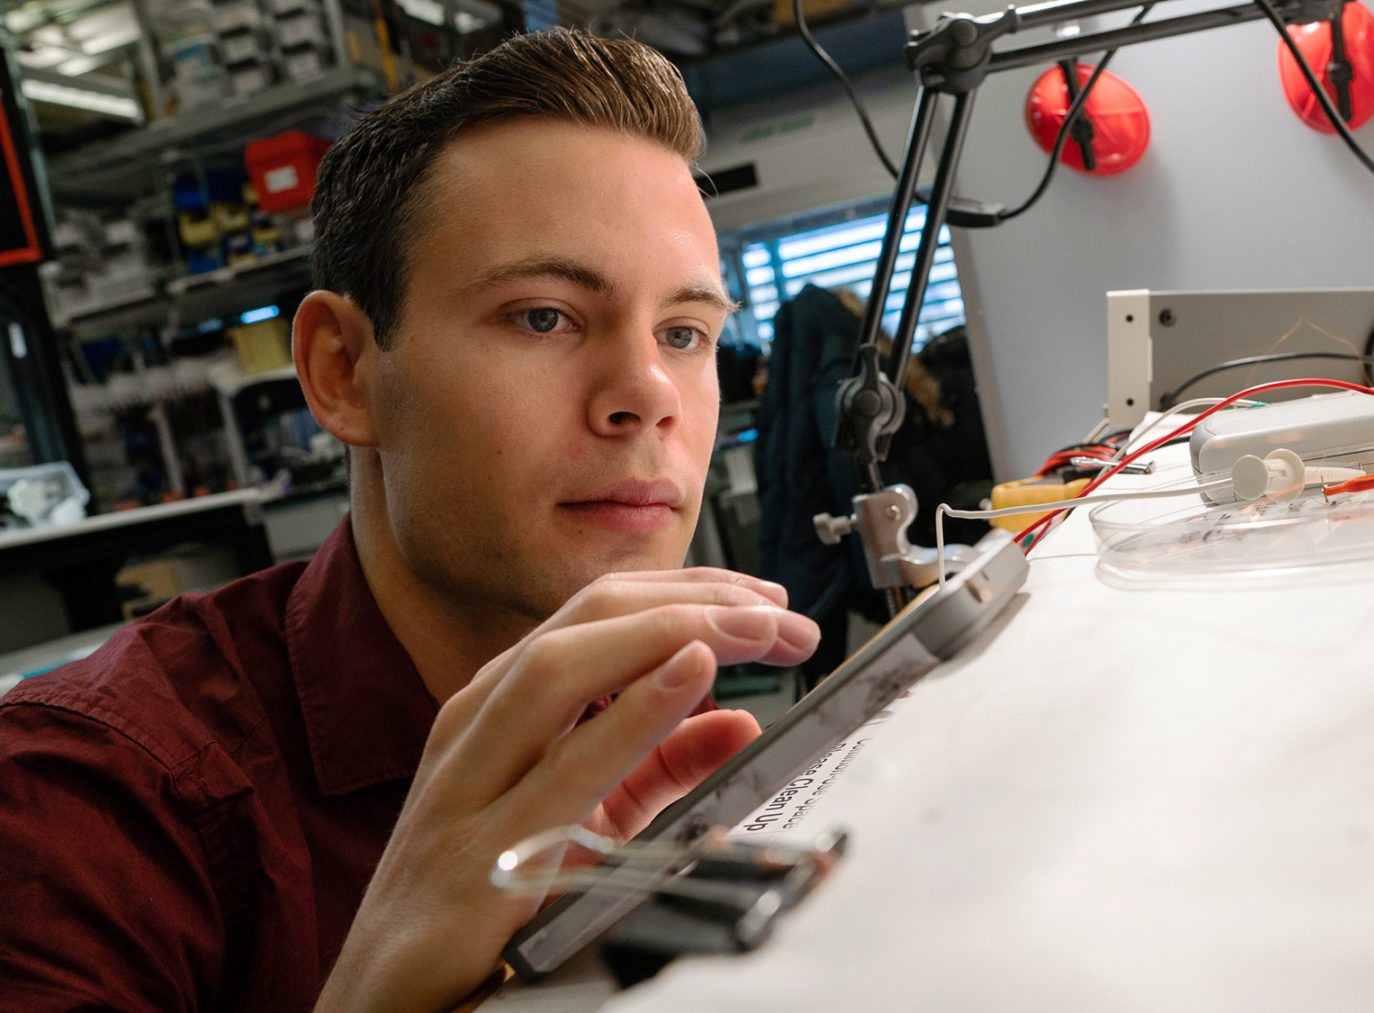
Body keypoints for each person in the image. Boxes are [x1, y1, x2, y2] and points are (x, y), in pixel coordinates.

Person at [0, 28, 820, 1012]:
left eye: (684, 332)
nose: (650, 394)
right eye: (543, 315)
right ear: (342, 371)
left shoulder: (646, 699)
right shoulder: (85, 807)